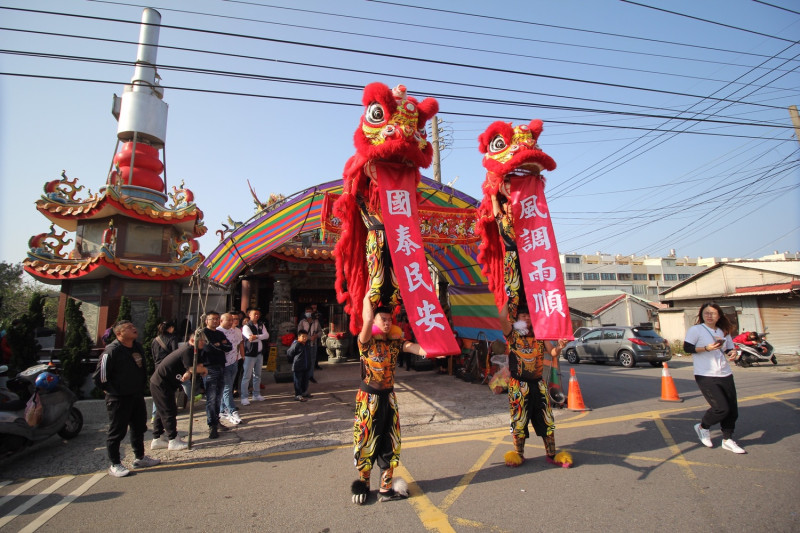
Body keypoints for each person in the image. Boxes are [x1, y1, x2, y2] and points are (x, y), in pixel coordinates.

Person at [351, 292, 427, 505]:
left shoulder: (394, 343)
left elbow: (412, 347)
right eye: (382, 319)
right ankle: (363, 484)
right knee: (365, 439)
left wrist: (431, 351)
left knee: (391, 441)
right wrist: (367, 297)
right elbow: (366, 319)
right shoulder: (365, 342)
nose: (387, 323)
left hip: (389, 398)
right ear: (374, 321)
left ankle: (385, 487)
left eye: (389, 320)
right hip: (368, 399)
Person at [500, 304, 569, 468]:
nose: (527, 318)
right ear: (517, 318)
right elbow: (502, 318)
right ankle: (518, 454)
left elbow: (552, 353)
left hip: (539, 384)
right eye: (523, 316)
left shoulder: (541, 334)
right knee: (519, 420)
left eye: (529, 315)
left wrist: (560, 347)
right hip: (518, 385)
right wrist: (504, 297)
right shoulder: (512, 334)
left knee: (546, 418)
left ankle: (552, 454)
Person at [96, 320, 161, 477]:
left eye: (134, 326)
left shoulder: (137, 347)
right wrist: (110, 390)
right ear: (119, 334)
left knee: (139, 427)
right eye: (129, 328)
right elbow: (100, 377)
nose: (134, 329)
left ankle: (140, 457)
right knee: (117, 431)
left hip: (136, 394)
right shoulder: (111, 351)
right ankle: (115, 464)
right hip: (118, 398)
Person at [684, 302, 746, 454]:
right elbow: (687, 348)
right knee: (721, 408)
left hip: (725, 373)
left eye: (713, 313)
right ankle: (702, 427)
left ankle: (728, 439)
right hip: (705, 374)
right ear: (701, 315)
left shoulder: (723, 331)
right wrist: (706, 348)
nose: (709, 316)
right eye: (706, 313)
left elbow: (729, 348)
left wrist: (733, 353)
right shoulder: (696, 330)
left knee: (732, 410)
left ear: (719, 315)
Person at [150, 329, 208, 452]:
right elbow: (193, 368)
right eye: (203, 341)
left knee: (162, 412)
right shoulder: (187, 350)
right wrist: (202, 370)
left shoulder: (193, 350)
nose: (204, 344)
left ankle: (157, 438)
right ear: (193, 340)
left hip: (168, 383)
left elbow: (189, 367)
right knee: (168, 411)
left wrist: (190, 371)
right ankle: (173, 439)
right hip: (161, 383)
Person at [199, 312, 232, 439]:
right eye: (213, 319)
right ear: (207, 320)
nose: (216, 321)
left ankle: (216, 420)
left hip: (221, 365)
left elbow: (228, 346)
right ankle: (211, 424)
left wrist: (221, 345)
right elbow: (208, 348)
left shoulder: (220, 333)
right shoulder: (203, 333)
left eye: (217, 319)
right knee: (211, 397)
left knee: (219, 396)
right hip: (209, 367)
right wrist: (220, 345)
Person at [217, 313, 244, 425]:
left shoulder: (235, 331)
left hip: (234, 361)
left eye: (232, 320)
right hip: (223, 364)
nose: (231, 322)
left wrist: (241, 356)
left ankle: (223, 409)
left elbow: (238, 344)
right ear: (221, 320)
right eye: (228, 320)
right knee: (227, 388)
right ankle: (232, 411)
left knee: (228, 387)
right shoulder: (218, 332)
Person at [150, 321, 179, 422]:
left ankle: (154, 415)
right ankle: (167, 412)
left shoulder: (155, 340)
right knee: (169, 390)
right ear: (170, 328)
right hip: (168, 367)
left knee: (157, 391)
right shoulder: (173, 338)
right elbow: (175, 353)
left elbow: (153, 354)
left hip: (157, 366)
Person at [241, 307, 268, 405]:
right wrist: (259, 336)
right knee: (247, 376)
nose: (257, 315)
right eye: (254, 314)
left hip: (259, 353)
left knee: (258, 375)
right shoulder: (246, 326)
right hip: (250, 354)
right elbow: (250, 338)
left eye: (258, 314)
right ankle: (244, 396)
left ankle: (256, 394)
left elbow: (266, 335)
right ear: (249, 315)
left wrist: (256, 336)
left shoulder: (261, 325)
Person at [298, 305, 322, 383]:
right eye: (307, 312)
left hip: (313, 344)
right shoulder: (302, 322)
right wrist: (308, 337)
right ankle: (303, 376)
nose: (308, 313)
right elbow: (299, 333)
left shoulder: (316, 322)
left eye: (310, 312)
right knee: (304, 360)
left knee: (312, 360)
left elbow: (320, 332)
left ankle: (310, 376)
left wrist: (316, 336)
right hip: (304, 344)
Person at [287, 329, 312, 402]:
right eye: (303, 336)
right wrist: (293, 362)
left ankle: (304, 392)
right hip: (298, 366)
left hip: (306, 366)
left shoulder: (307, 344)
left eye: (306, 336)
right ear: (299, 337)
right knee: (298, 381)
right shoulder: (296, 344)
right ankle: (298, 395)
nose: (304, 338)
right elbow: (289, 353)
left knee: (305, 380)